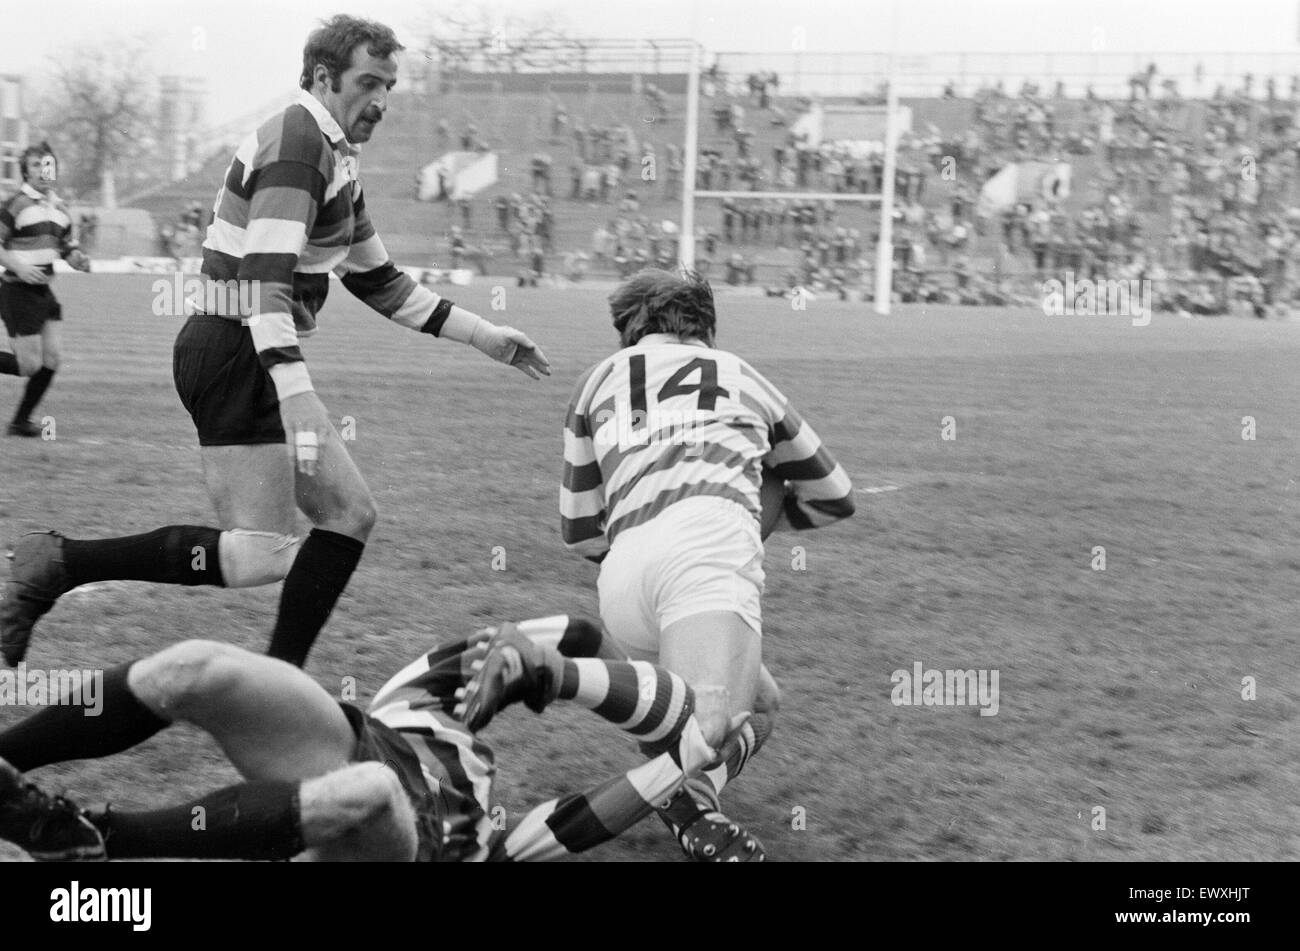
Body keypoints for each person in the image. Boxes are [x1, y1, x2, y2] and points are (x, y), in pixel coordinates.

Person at [0, 16, 550, 669]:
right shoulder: (299, 140)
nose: (381, 100)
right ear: (323, 76)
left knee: (349, 514)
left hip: (245, 344)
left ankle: (280, 679)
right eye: (368, 82)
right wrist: (295, 392)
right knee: (262, 549)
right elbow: (263, 280)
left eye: (390, 86)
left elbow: (381, 283)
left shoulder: (334, 154)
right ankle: (55, 563)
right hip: (235, 346)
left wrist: (488, 337)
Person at [0, 614, 758, 862]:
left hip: (405, 843)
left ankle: (98, 841)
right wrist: (550, 658)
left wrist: (687, 760)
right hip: (359, 737)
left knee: (368, 792)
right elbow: (569, 630)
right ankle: (7, 769)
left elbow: (577, 822)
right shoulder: (419, 693)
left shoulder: (489, 831)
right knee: (192, 667)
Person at [559, 267, 855, 860]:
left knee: (757, 708)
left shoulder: (594, 384)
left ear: (631, 327)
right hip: (707, 553)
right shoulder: (740, 374)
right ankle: (575, 829)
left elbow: (578, 530)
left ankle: (692, 808)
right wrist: (757, 516)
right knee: (711, 728)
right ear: (703, 324)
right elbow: (834, 492)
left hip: (621, 578)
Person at [0, 143, 91, 438]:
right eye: (36, 165)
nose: (43, 171)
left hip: (44, 293)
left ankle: (19, 422)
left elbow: (67, 249)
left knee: (51, 360)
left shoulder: (61, 209)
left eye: (48, 165)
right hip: (17, 291)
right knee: (29, 365)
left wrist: (79, 260)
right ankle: (20, 422)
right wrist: (19, 266)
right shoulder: (15, 204)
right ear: (26, 170)